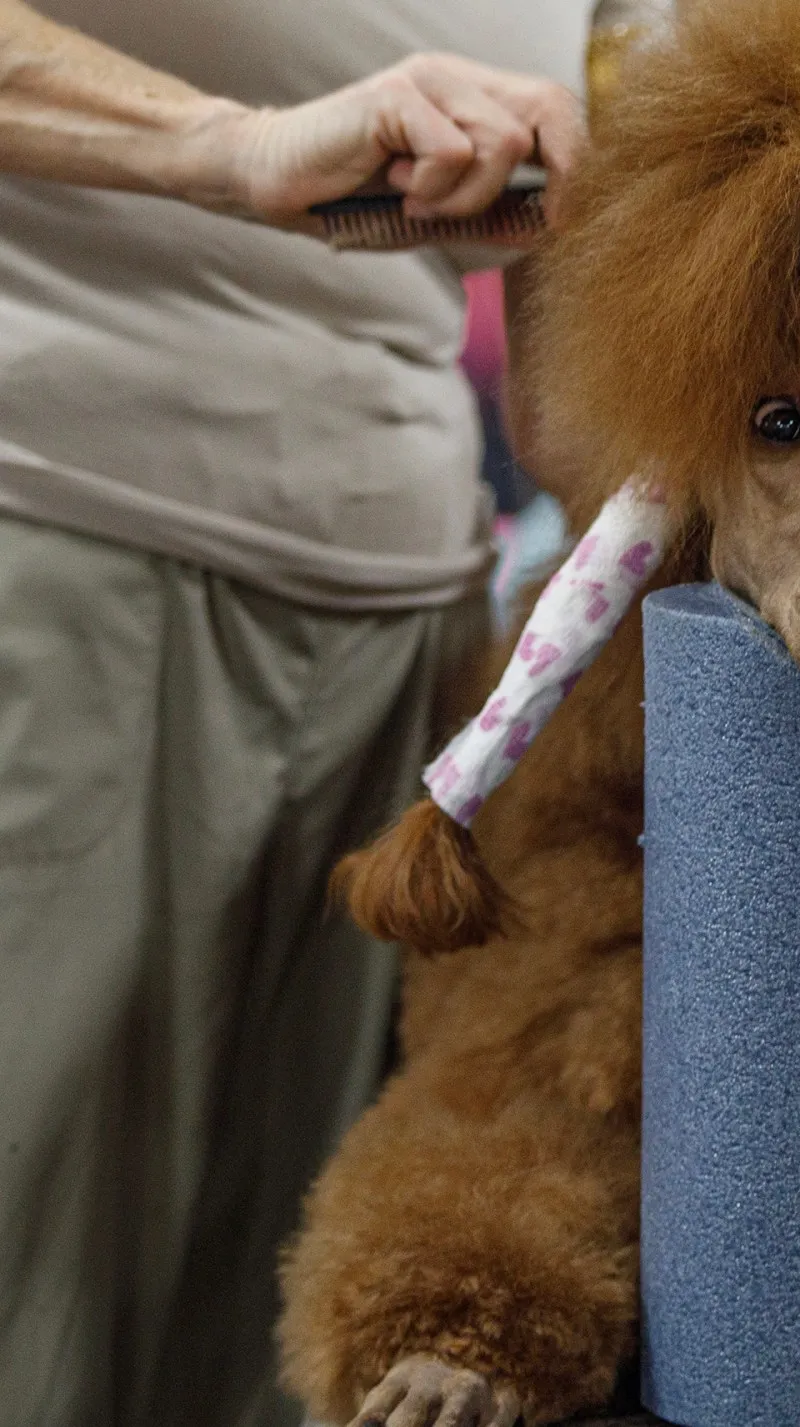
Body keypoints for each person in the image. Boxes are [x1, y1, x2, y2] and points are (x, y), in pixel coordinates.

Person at [0, 2, 658, 1423]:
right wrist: (228, 148)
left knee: (299, 1337)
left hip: (415, 650)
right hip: (58, 543)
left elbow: (576, 411)